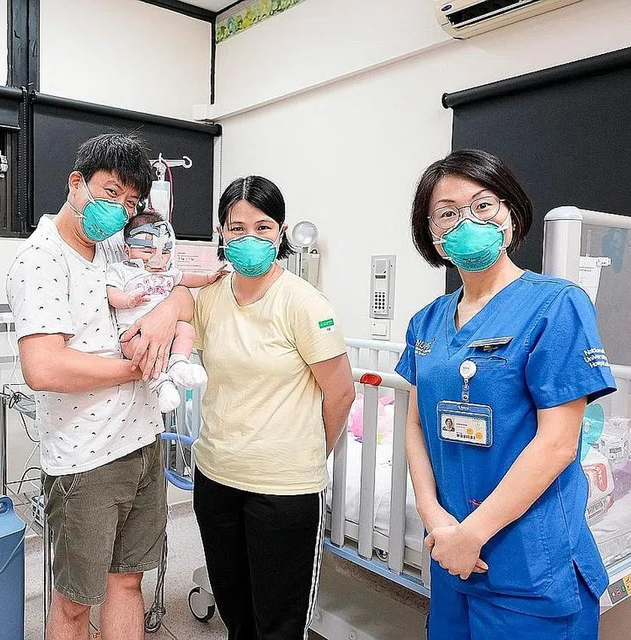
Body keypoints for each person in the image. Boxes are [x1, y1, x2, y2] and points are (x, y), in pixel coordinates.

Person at [395, 149, 616, 639]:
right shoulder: (426, 321)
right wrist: (436, 521)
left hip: (528, 560)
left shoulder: (557, 305)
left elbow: (558, 443)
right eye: (447, 212)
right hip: (452, 555)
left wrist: (472, 534)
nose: (466, 221)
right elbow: (416, 423)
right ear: (433, 233)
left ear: (511, 217)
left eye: (483, 205)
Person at [6, 133, 194, 640]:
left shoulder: (115, 244)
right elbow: (44, 368)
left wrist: (164, 318)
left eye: (131, 201)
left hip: (142, 441)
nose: (121, 209)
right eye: (111, 193)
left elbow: (177, 290)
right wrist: (139, 368)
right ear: (76, 183)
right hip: (85, 460)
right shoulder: (41, 260)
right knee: (73, 604)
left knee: (128, 582)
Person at [191, 175, 355, 640]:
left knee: (278, 626)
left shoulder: (303, 303)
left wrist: (306, 453)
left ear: (279, 234)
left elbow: (340, 392)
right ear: (221, 233)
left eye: (262, 227)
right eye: (236, 227)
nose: (249, 238)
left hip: (283, 490)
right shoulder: (210, 299)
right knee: (235, 613)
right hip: (216, 477)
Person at [106, 211, 222, 412]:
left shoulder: (168, 272)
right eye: (147, 252)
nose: (157, 259)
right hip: (133, 333)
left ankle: (178, 363)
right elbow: (111, 292)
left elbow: (186, 278)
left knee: (185, 329)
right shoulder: (122, 270)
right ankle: (160, 383)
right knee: (137, 349)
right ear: (127, 250)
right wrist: (127, 300)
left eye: (164, 253)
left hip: (168, 330)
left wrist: (208, 278)